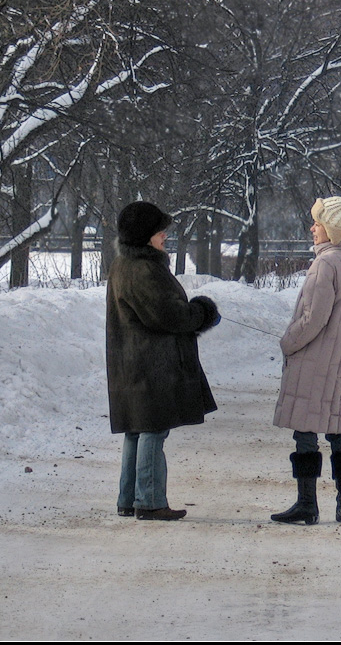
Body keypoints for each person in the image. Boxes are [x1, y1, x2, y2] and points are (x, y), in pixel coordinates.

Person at [106, 201, 220, 521]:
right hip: (152, 364)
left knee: (136, 429)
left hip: (132, 362)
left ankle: (129, 498)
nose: (165, 235)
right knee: (153, 430)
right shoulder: (143, 269)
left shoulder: (123, 264)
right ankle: (150, 501)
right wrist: (202, 312)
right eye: (160, 230)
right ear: (145, 235)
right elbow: (169, 316)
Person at [271, 196, 341, 525]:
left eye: (318, 224)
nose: (313, 228)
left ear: (332, 230)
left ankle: (307, 503)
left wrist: (288, 343)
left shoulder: (325, 264)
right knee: (339, 428)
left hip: (315, 361)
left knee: (306, 430)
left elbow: (313, 319)